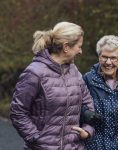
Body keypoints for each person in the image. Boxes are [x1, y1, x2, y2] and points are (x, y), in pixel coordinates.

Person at [10, 21, 95, 150]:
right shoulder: (35, 73)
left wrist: (87, 130)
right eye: (79, 46)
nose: (81, 51)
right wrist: (36, 139)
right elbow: (18, 112)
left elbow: (88, 103)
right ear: (66, 47)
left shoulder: (74, 71)